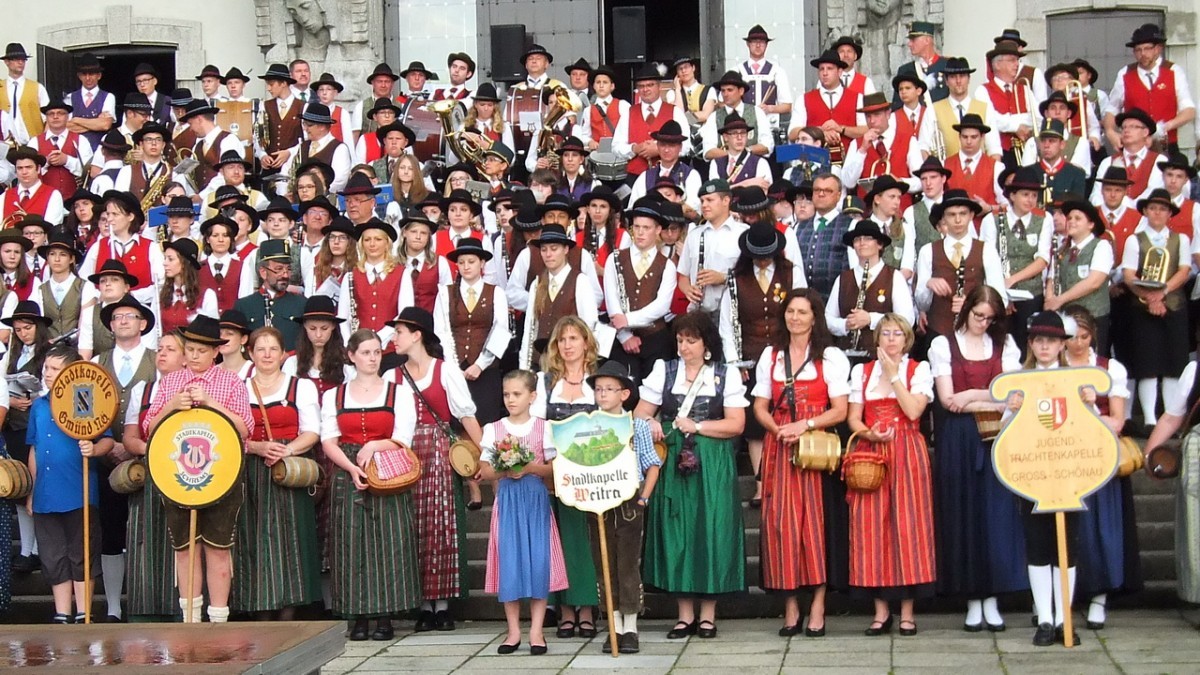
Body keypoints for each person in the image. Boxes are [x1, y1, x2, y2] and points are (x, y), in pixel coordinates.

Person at [637, 310, 747, 639]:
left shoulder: (725, 375)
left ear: (706, 343)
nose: (684, 347)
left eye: (691, 340)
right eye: (680, 340)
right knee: (678, 533)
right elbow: (639, 413)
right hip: (673, 461)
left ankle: (708, 615)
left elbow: (736, 424)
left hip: (712, 462)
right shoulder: (665, 371)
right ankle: (684, 616)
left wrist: (698, 426)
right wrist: (651, 422)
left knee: (710, 530)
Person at [748, 287, 849, 638]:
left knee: (816, 528)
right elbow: (760, 406)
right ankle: (790, 606)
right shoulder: (771, 356)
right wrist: (778, 429)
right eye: (790, 311)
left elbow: (840, 410)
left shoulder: (831, 357)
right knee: (781, 527)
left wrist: (804, 424)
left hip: (815, 450)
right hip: (780, 448)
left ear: (814, 317)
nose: (795, 318)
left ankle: (818, 605)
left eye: (802, 312)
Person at [143, 315, 254, 624]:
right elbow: (149, 428)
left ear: (215, 352)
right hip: (177, 475)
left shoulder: (231, 381)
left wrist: (211, 403)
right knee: (185, 548)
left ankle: (218, 619)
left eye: (201, 351)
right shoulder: (170, 382)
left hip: (221, 475)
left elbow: (246, 428)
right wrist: (171, 407)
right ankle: (190, 620)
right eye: (190, 349)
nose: (194, 356)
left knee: (218, 547)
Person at [929, 285, 1026, 631]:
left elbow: (1013, 398)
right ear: (966, 310)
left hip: (997, 436)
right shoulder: (943, 345)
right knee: (964, 515)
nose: (983, 323)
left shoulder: (1005, 345)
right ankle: (972, 598)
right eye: (978, 315)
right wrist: (990, 398)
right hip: (959, 438)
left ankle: (993, 597)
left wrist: (970, 394)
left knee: (997, 515)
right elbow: (948, 400)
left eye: (989, 318)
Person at [319, 328, 420, 639]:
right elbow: (328, 440)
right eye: (365, 353)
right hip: (347, 470)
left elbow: (403, 437)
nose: (373, 358)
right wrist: (351, 468)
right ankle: (358, 616)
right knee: (350, 543)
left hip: (387, 469)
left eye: (377, 352)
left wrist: (375, 445)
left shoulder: (398, 392)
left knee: (388, 540)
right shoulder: (334, 395)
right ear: (351, 356)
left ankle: (385, 616)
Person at [386, 307, 483, 630]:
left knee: (441, 524)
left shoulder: (445, 371)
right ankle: (421, 604)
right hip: (405, 452)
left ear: (417, 335)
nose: (394, 337)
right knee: (413, 524)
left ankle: (441, 605)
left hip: (439, 451)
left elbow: (466, 416)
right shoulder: (392, 376)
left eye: (399, 331)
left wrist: (486, 455)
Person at [845, 313, 935, 635]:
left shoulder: (917, 370)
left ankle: (907, 612)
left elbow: (913, 410)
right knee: (870, 528)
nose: (892, 339)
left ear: (907, 339)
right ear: (878, 339)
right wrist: (868, 433)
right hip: (871, 453)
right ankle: (881, 611)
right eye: (886, 333)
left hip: (907, 451)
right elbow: (853, 418)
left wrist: (895, 375)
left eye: (897, 334)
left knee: (908, 528)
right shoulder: (862, 371)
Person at [1003, 311, 1082, 647]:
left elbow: (1089, 428)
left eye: (1052, 340)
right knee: (1037, 546)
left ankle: (1065, 617)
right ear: (1031, 344)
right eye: (1039, 340)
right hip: (1032, 475)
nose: (1045, 346)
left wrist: (1088, 404)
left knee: (1066, 547)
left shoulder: (1074, 378)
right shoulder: (1020, 380)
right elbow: (1005, 432)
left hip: (1068, 474)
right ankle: (1046, 618)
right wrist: (1013, 408)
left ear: (1062, 345)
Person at [231, 327, 322, 619]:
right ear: (250, 353)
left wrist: (287, 450)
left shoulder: (301, 387)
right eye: (261, 349)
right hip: (249, 471)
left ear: (284, 354)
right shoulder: (238, 388)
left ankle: (289, 611)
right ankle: (259, 609)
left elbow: (312, 431)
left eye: (273, 349)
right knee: (253, 538)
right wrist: (256, 447)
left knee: (290, 538)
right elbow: (228, 433)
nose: (267, 355)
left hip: (288, 471)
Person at [1063, 305, 1139, 630]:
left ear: (1092, 335)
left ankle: (1099, 597)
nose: (1078, 344)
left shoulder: (1110, 369)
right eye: (1072, 337)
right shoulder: (1053, 367)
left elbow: (1117, 422)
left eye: (1084, 337)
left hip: (1098, 456)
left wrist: (1091, 406)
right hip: (1063, 456)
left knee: (1099, 529)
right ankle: (1062, 597)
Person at [27, 341, 115, 624]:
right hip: (45, 492)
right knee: (53, 555)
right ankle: (62, 612)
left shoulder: (84, 398)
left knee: (81, 553)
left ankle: (83, 611)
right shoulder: (39, 406)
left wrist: (94, 449)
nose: (47, 373)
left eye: (54, 369)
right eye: (46, 368)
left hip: (78, 489)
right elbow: (34, 448)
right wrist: (31, 490)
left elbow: (107, 440)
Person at [480, 369, 565, 656]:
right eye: (506, 394)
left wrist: (529, 467)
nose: (511, 399)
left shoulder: (544, 428)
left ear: (532, 396)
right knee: (510, 562)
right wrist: (505, 469)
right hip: (508, 501)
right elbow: (485, 470)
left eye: (517, 394)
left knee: (539, 562)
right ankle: (513, 630)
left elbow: (554, 468)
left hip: (535, 500)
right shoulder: (494, 429)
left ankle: (537, 630)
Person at [585, 361, 661, 654]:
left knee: (627, 564)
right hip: (598, 501)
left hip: (629, 500)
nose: (603, 394)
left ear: (624, 394)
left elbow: (652, 464)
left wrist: (643, 498)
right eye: (598, 389)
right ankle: (613, 625)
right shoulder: (588, 426)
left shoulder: (636, 425)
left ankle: (631, 626)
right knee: (604, 564)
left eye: (609, 389)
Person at [121, 331, 185, 621]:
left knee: (181, 539)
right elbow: (130, 437)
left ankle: (180, 610)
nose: (162, 353)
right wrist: (152, 449)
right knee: (145, 540)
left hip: (184, 472)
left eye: (171, 349)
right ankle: (145, 611)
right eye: (160, 348)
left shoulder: (194, 390)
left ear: (184, 358)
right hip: (149, 472)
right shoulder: (143, 391)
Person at [1120, 189, 1190, 429]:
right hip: (1142, 308)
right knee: (1147, 364)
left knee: (1173, 364)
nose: (1157, 213)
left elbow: (1184, 271)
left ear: (1170, 213)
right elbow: (1129, 275)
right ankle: (1150, 419)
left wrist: (1162, 293)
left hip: (1174, 306)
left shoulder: (1181, 239)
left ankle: (1169, 418)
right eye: (1153, 208)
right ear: (1146, 211)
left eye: (1162, 209)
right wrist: (1149, 298)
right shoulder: (1135, 240)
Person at [434, 238, 509, 425]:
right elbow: (441, 331)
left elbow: (501, 331)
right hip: (454, 371)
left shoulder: (496, 293)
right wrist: (453, 366)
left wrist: (480, 365)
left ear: (482, 263)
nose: (466, 267)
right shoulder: (445, 293)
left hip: (487, 372)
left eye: (471, 261)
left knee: (487, 424)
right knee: (457, 425)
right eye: (461, 262)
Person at [915, 189, 1008, 340]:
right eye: (952, 215)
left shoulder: (987, 250)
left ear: (971, 215)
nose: (958, 220)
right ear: (943, 218)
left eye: (963, 214)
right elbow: (922, 304)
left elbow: (1001, 300)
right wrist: (928, 284)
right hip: (938, 333)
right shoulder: (927, 251)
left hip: (976, 334)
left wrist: (973, 304)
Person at [978, 166, 1053, 351]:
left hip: (1031, 293)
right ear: (1012, 195)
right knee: (998, 343)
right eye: (1025, 194)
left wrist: (1012, 280)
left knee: (1028, 343)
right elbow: (987, 257)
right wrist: (1002, 290)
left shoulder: (1044, 219)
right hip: (998, 291)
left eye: (1034, 195)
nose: (1030, 200)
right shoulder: (992, 219)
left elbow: (1043, 259)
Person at [606, 198, 676, 380]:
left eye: (646, 228)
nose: (640, 233)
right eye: (636, 227)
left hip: (656, 338)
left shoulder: (667, 265)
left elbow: (662, 305)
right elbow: (611, 298)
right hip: (621, 340)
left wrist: (628, 319)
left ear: (658, 230)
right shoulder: (615, 258)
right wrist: (624, 335)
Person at [827, 220, 916, 360]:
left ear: (879, 245)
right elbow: (828, 318)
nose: (862, 243)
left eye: (868, 238)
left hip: (883, 357)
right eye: (857, 239)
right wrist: (845, 324)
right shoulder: (843, 278)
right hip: (846, 356)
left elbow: (907, 319)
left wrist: (870, 319)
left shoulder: (894, 277)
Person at [1103, 22, 1196, 155]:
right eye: (1138, 50)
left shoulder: (1174, 71)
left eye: (1147, 49)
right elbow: (1112, 109)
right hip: (1134, 147)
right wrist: (1110, 132)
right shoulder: (1125, 73)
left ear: (1158, 48)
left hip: (1167, 145)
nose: (1143, 54)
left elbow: (1189, 110)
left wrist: (1166, 126)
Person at [519, 224, 600, 370]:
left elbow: (589, 326)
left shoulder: (580, 281)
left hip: (571, 365)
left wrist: (585, 366)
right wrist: (524, 367)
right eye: (544, 249)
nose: (548, 254)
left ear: (566, 249)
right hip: (540, 362)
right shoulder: (537, 284)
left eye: (554, 249)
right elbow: (530, 328)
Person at [1044, 200, 1113, 352]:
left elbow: (1094, 282)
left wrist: (1060, 299)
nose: (1071, 222)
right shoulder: (1062, 249)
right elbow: (1052, 277)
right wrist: (1049, 300)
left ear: (1091, 224)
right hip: (1067, 317)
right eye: (1069, 218)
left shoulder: (1101, 246)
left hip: (1093, 317)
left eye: (1078, 218)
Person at [79, 191, 162, 310]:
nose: (109, 219)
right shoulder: (98, 247)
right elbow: (85, 281)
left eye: (115, 214)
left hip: (140, 310)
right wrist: (100, 296)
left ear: (130, 216)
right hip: (104, 311)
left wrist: (132, 295)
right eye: (108, 214)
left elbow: (161, 284)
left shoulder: (150, 248)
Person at [841, 93, 923, 207]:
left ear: (888, 114)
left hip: (900, 211)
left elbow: (921, 181)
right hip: (868, 212)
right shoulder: (856, 144)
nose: (872, 121)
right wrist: (862, 150)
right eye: (868, 116)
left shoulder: (909, 140)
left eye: (877, 115)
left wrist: (901, 182)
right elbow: (848, 182)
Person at [612, 67, 691, 181]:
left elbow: (687, 146)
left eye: (650, 85)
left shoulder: (675, 112)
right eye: (641, 86)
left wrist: (659, 149)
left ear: (659, 86)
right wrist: (634, 148)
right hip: (635, 178)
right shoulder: (629, 113)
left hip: (669, 178)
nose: (645, 89)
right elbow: (616, 147)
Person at [788, 50, 864, 164]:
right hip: (814, 163)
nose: (825, 73)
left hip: (850, 163)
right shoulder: (803, 99)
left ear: (840, 72)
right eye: (821, 69)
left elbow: (865, 130)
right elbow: (792, 133)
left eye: (830, 68)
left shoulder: (858, 98)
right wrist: (819, 131)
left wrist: (841, 129)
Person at [975, 43, 1040, 171]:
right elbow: (990, 119)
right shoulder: (982, 90)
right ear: (997, 65)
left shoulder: (1024, 88)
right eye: (1012, 60)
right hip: (998, 153)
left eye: (1017, 60)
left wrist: (1010, 121)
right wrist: (1016, 126)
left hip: (1025, 153)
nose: (1017, 64)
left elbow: (1037, 118)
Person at [233, 239, 307, 351]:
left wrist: (289, 356)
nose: (285, 275)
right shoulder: (243, 306)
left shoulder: (301, 303)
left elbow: (306, 343)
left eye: (288, 269)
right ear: (263, 272)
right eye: (279, 269)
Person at [794, 173, 856, 301]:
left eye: (828, 191)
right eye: (817, 190)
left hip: (837, 300)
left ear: (838, 195)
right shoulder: (799, 227)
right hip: (804, 301)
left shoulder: (851, 225)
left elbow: (855, 267)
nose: (821, 194)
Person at [31, 231, 97, 341]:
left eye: (63, 254)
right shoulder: (40, 290)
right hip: (47, 346)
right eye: (52, 254)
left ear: (71, 259)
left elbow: (86, 325)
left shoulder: (85, 287)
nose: (57, 259)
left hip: (77, 345)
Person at [933, 58, 1003, 159]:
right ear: (946, 81)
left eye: (962, 76)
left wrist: (993, 168)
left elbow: (994, 148)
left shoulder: (985, 108)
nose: (958, 81)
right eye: (953, 77)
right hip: (946, 168)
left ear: (969, 79)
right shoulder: (933, 109)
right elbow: (924, 147)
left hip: (980, 168)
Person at [1091, 108, 1164, 202]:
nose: (1126, 130)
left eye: (1133, 127)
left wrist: (1127, 207)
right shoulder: (1107, 162)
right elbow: (1096, 196)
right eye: (1124, 127)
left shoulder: (1159, 161)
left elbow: (1153, 192)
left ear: (1145, 132)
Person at [159, 238, 215, 337]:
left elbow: (210, 333)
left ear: (185, 263)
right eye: (165, 258)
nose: (164, 263)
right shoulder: (160, 293)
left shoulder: (207, 295)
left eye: (170, 259)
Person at [256, 64, 304, 176]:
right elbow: (258, 135)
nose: (268, 88)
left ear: (283, 83)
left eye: (271, 84)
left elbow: (307, 139)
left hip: (293, 167)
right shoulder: (265, 105)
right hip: (270, 168)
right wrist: (262, 155)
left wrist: (289, 152)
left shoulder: (302, 106)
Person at [3, 147, 66, 226]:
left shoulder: (53, 195)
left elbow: (51, 228)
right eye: (20, 168)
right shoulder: (4, 196)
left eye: (29, 167)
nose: (24, 172)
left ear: (38, 169)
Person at [1, 43, 50, 143]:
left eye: (23, 59)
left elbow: (49, 117)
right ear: (6, 62)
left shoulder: (37, 88)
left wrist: (44, 141)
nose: (20, 62)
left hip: (32, 143)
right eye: (16, 59)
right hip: (4, 144)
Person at [894, 22, 949, 104]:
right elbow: (898, 105)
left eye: (913, 39)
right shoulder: (905, 70)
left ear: (927, 40)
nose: (909, 44)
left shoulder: (947, 66)